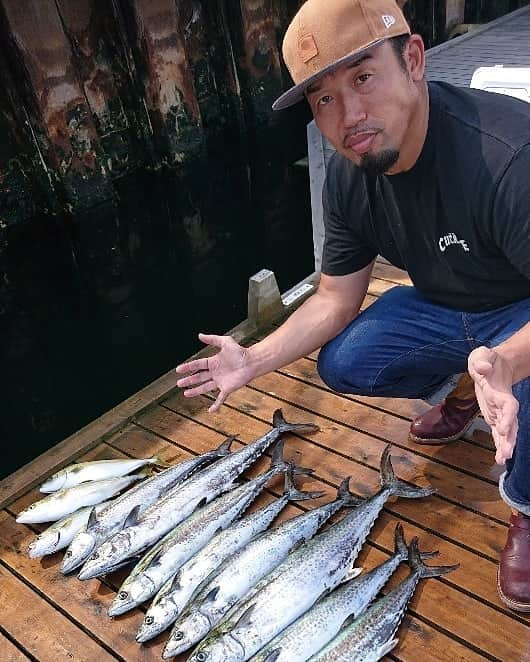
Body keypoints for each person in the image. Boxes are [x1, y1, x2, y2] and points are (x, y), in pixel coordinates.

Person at [176, 0, 530, 611]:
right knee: (344, 361)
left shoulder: (508, 158)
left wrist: (506, 361)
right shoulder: (349, 173)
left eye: (363, 78)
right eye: (323, 99)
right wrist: (253, 360)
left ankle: (525, 505)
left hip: (520, 313)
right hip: (449, 308)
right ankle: (468, 389)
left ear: (414, 60)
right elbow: (337, 297)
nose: (349, 115)